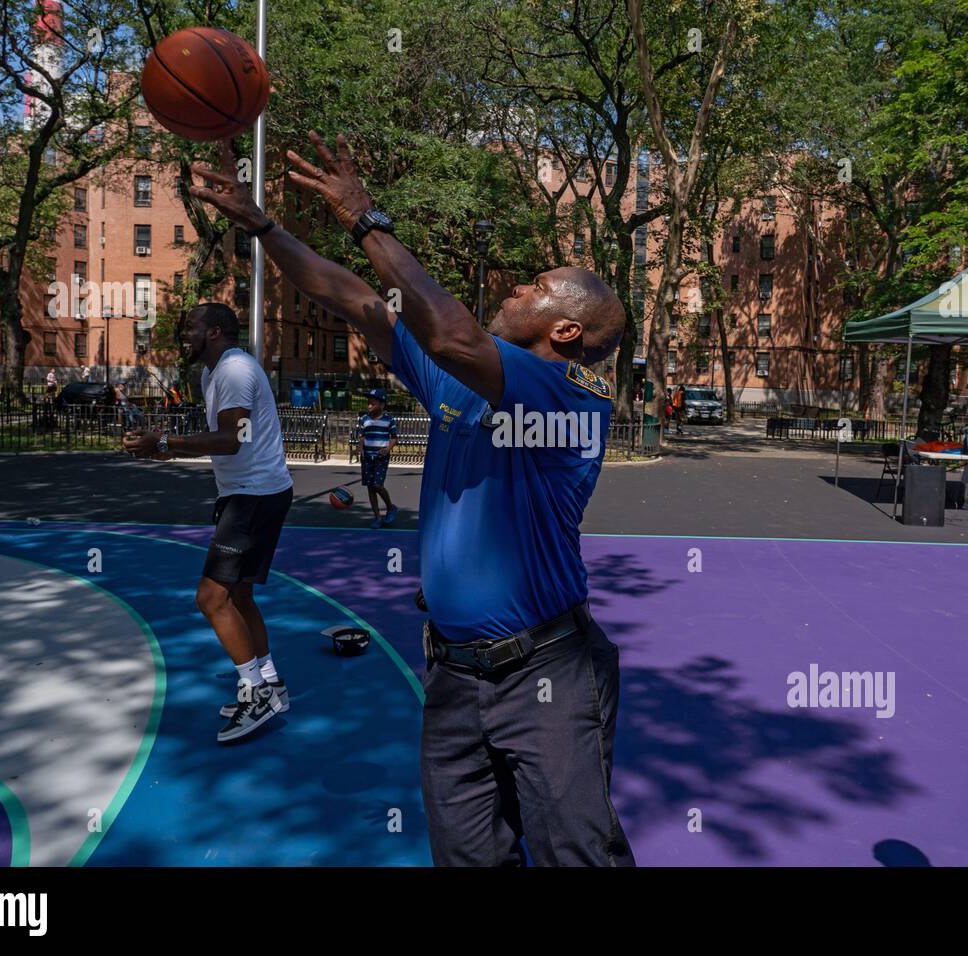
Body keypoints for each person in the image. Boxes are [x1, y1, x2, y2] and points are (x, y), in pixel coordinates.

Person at [188, 131, 634, 866]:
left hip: (546, 673)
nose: (515, 287)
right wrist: (265, 226)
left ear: (564, 329)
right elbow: (359, 300)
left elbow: (454, 336)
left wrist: (367, 216)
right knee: (468, 859)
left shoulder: (570, 399)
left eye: (534, 287)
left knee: (575, 858)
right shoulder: (460, 383)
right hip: (456, 674)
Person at [123, 303, 295, 745]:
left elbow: (231, 440)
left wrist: (163, 440)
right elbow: (222, 443)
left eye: (191, 328)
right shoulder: (210, 374)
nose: (184, 335)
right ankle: (269, 681)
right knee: (238, 594)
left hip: (254, 496)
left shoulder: (235, 371)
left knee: (211, 598)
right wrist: (166, 451)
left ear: (215, 332)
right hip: (247, 494)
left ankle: (257, 693)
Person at [357, 387, 399, 528]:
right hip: (367, 457)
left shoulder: (389, 420)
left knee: (377, 485)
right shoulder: (364, 419)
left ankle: (390, 507)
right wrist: (360, 447)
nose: (369, 406)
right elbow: (362, 436)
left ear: (382, 405)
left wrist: (387, 449)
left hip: (381, 457)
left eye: (372, 403)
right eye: (368, 403)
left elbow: (394, 439)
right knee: (370, 487)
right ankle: (377, 518)